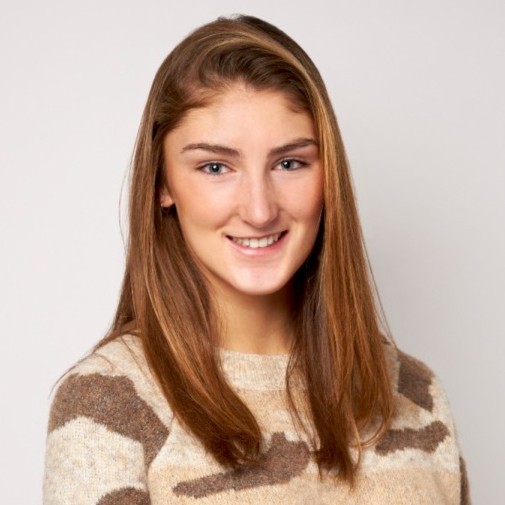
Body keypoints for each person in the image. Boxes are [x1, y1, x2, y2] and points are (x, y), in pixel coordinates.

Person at [43, 14, 470, 504]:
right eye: (216, 167)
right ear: (163, 184)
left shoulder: (417, 396)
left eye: (290, 163)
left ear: (327, 175)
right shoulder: (109, 405)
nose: (260, 209)